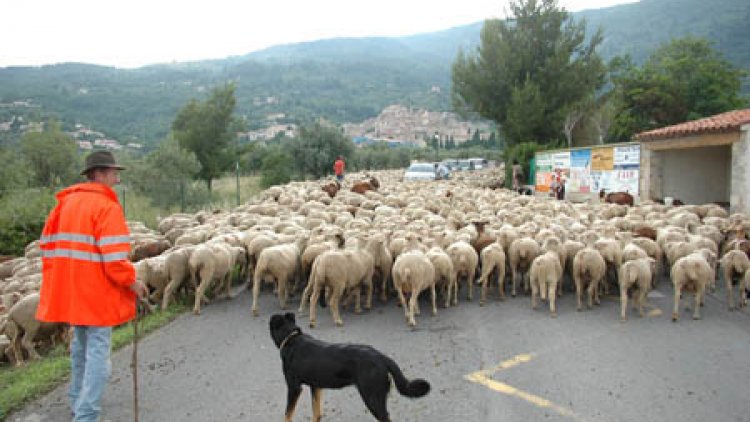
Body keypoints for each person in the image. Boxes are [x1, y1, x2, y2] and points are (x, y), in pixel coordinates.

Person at [36, 150, 148, 422]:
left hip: (71, 291)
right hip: (96, 293)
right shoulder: (106, 207)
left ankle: (78, 402)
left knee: (80, 349)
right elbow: (114, 259)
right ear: (98, 174)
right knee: (98, 354)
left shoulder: (65, 204)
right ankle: (86, 415)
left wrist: (65, 277)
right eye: (113, 173)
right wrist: (132, 282)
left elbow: (47, 247)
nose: (117, 178)